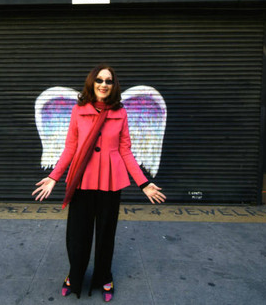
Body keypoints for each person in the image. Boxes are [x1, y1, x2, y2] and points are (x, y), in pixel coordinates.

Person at [32, 64, 166, 302]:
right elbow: (71, 148)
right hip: (82, 180)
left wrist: (144, 183)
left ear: (114, 86)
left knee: (106, 234)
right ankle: (75, 274)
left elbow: (125, 151)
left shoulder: (121, 113)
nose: (104, 84)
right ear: (91, 83)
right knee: (77, 235)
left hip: (110, 182)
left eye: (109, 81)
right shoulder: (78, 110)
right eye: (100, 80)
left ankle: (104, 275)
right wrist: (54, 176)